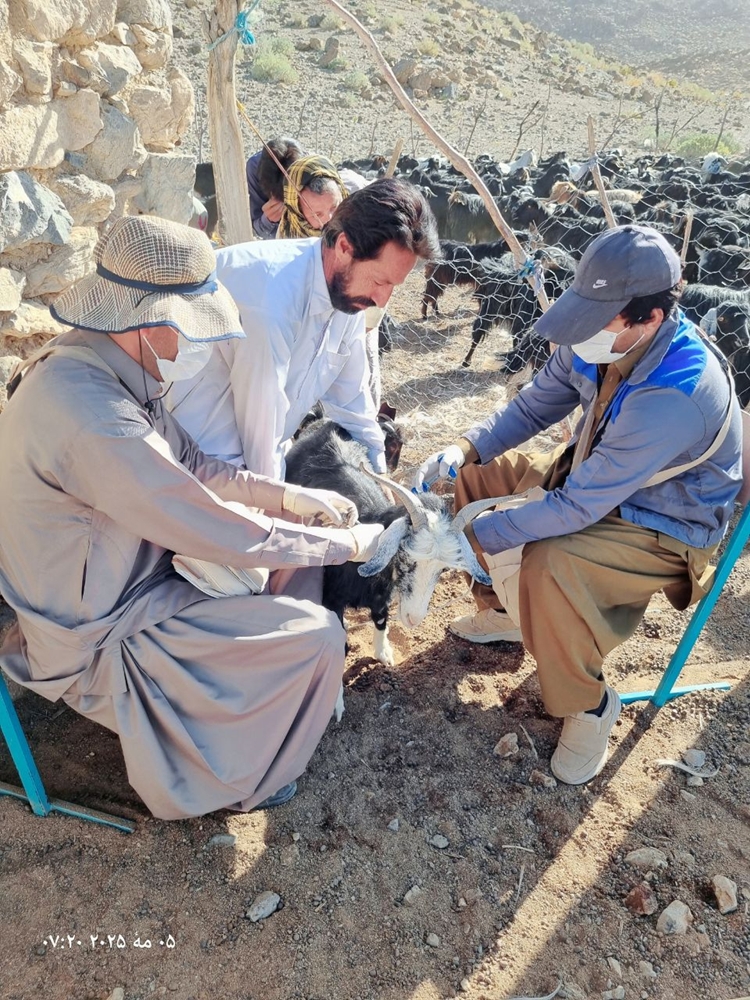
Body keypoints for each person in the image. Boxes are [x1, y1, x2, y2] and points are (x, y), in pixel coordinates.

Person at [0, 215, 384, 821]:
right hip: (95, 634)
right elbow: (205, 524)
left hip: (123, 585)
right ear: (153, 323)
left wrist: (285, 498)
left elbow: (193, 462)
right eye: (191, 330)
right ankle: (241, 778)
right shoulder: (94, 415)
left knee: (284, 595)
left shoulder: (101, 367)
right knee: (315, 638)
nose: (195, 348)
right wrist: (339, 545)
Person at [415, 224, 743, 785]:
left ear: (649, 319)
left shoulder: (676, 390)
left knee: (550, 562)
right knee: (474, 478)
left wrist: (475, 537)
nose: (582, 332)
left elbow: (577, 511)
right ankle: (504, 612)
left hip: (664, 522)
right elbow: (534, 406)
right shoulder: (603, 340)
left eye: (599, 320)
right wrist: (464, 447)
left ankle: (589, 706)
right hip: (598, 478)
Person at [167, 177, 439, 478]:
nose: (381, 299)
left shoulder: (346, 298)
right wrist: (280, 508)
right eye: (379, 281)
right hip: (193, 462)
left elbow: (353, 405)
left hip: (253, 460)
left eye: (393, 287)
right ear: (345, 246)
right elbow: (261, 435)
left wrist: (379, 478)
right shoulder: (272, 298)